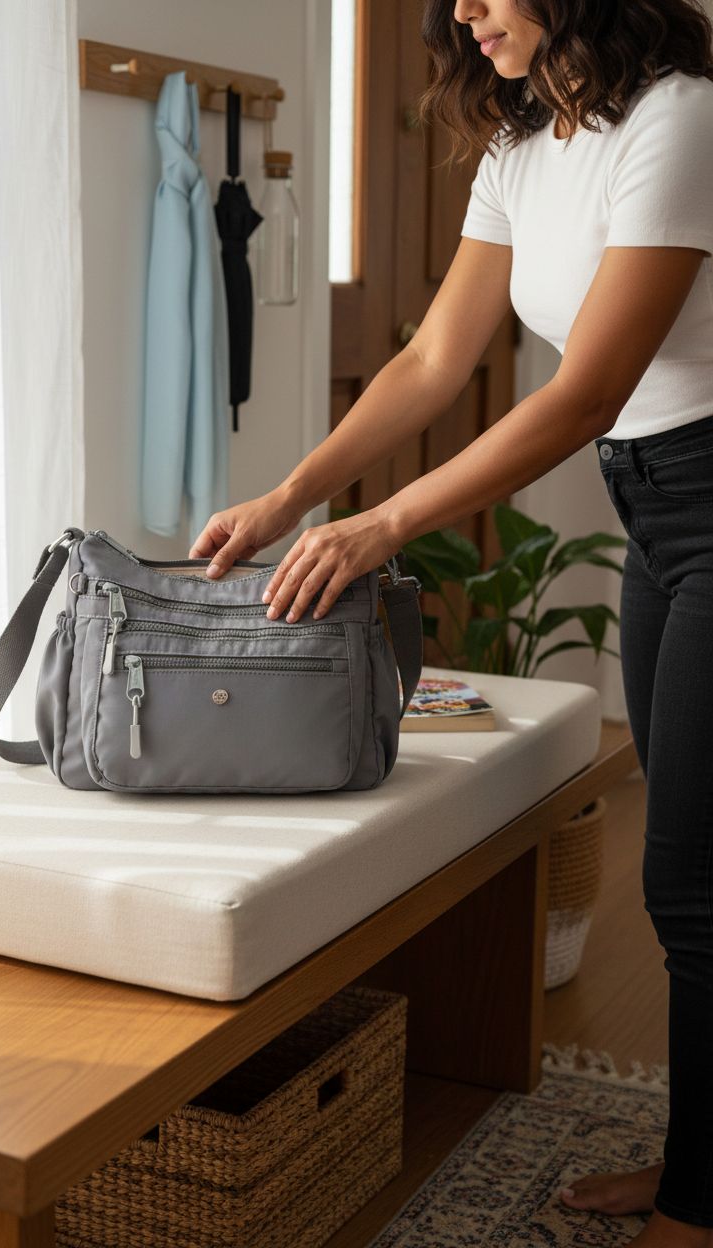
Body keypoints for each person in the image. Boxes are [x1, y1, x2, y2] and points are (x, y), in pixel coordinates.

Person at [189, 3, 713, 1242]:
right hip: (655, 512)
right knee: (686, 875)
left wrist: (381, 530)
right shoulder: (522, 143)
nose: (462, 14)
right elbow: (431, 359)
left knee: (692, 877)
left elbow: (586, 392)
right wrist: (289, 495)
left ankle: (698, 1200)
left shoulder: (681, 120)